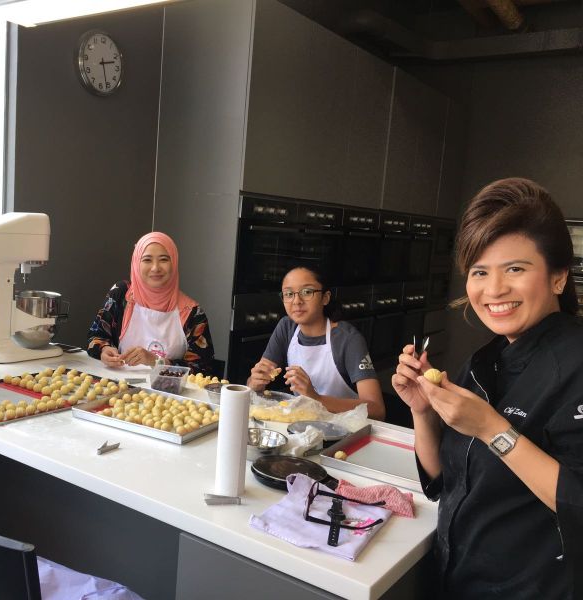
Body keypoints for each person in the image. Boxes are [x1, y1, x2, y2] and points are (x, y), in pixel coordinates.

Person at [392, 178, 583, 599]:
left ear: (557, 277)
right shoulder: (486, 361)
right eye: (480, 272)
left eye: (515, 268)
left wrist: (492, 429)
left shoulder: (575, 364)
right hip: (459, 580)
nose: (493, 289)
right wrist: (422, 411)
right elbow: (446, 480)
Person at [247, 266, 385, 420]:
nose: (296, 301)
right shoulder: (287, 327)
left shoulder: (348, 339)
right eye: (289, 294)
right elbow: (260, 375)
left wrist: (316, 398)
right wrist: (254, 382)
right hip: (303, 423)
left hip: (345, 426)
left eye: (307, 292)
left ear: (325, 298)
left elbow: (377, 409)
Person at [87, 231, 215, 375]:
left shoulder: (193, 313)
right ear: (136, 263)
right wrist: (104, 350)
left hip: (169, 389)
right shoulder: (121, 295)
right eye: (147, 260)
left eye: (164, 259)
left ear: (174, 262)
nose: (155, 268)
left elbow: (203, 370)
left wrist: (156, 361)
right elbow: (96, 336)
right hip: (119, 385)